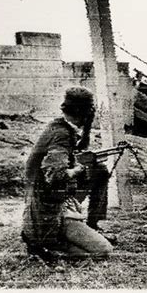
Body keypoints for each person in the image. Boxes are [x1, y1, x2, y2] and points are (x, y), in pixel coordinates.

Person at [22, 87, 114, 259]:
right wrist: (79, 169)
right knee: (104, 251)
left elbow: (71, 154)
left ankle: (91, 226)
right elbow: (56, 175)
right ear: (84, 113)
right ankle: (47, 249)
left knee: (100, 171)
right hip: (50, 210)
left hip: (51, 199)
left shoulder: (60, 126)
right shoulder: (61, 134)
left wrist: (85, 132)